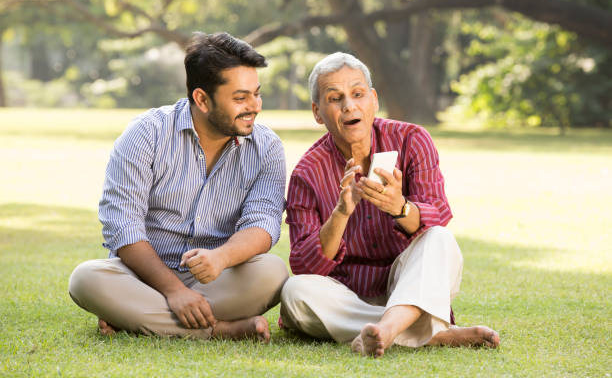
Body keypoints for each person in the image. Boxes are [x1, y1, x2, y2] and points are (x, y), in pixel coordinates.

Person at [69, 32, 288, 343]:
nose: (255, 106)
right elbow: (122, 227)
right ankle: (221, 330)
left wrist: (221, 258)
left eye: (256, 94)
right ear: (201, 99)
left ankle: (138, 317)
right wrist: (173, 291)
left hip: (216, 278)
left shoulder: (266, 147)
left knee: (273, 273)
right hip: (143, 277)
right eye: (240, 98)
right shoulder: (146, 134)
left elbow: (263, 224)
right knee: (85, 279)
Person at [280, 52, 500, 357]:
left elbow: (436, 214)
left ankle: (387, 330)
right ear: (318, 113)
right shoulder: (307, 173)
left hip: (409, 283)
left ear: (373, 99)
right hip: (347, 297)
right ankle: (429, 333)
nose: (349, 106)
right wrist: (341, 213)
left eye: (357, 95)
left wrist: (400, 207)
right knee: (295, 292)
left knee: (440, 239)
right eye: (335, 98)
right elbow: (305, 266)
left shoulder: (412, 140)